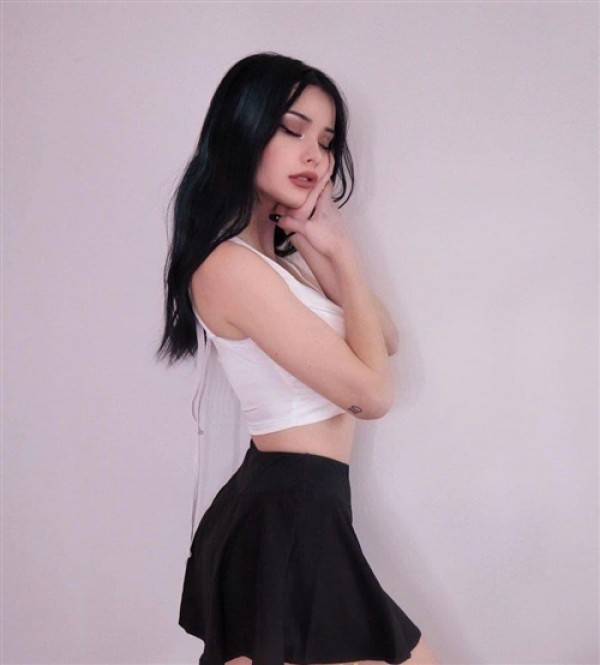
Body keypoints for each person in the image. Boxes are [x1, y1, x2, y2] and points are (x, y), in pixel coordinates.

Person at [157, 52, 440, 665]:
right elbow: (373, 395)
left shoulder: (277, 266)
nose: (315, 155)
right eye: (292, 130)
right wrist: (339, 258)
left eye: (327, 141)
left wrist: (334, 249)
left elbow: (383, 337)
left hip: (303, 506)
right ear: (243, 130)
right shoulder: (229, 267)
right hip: (288, 508)